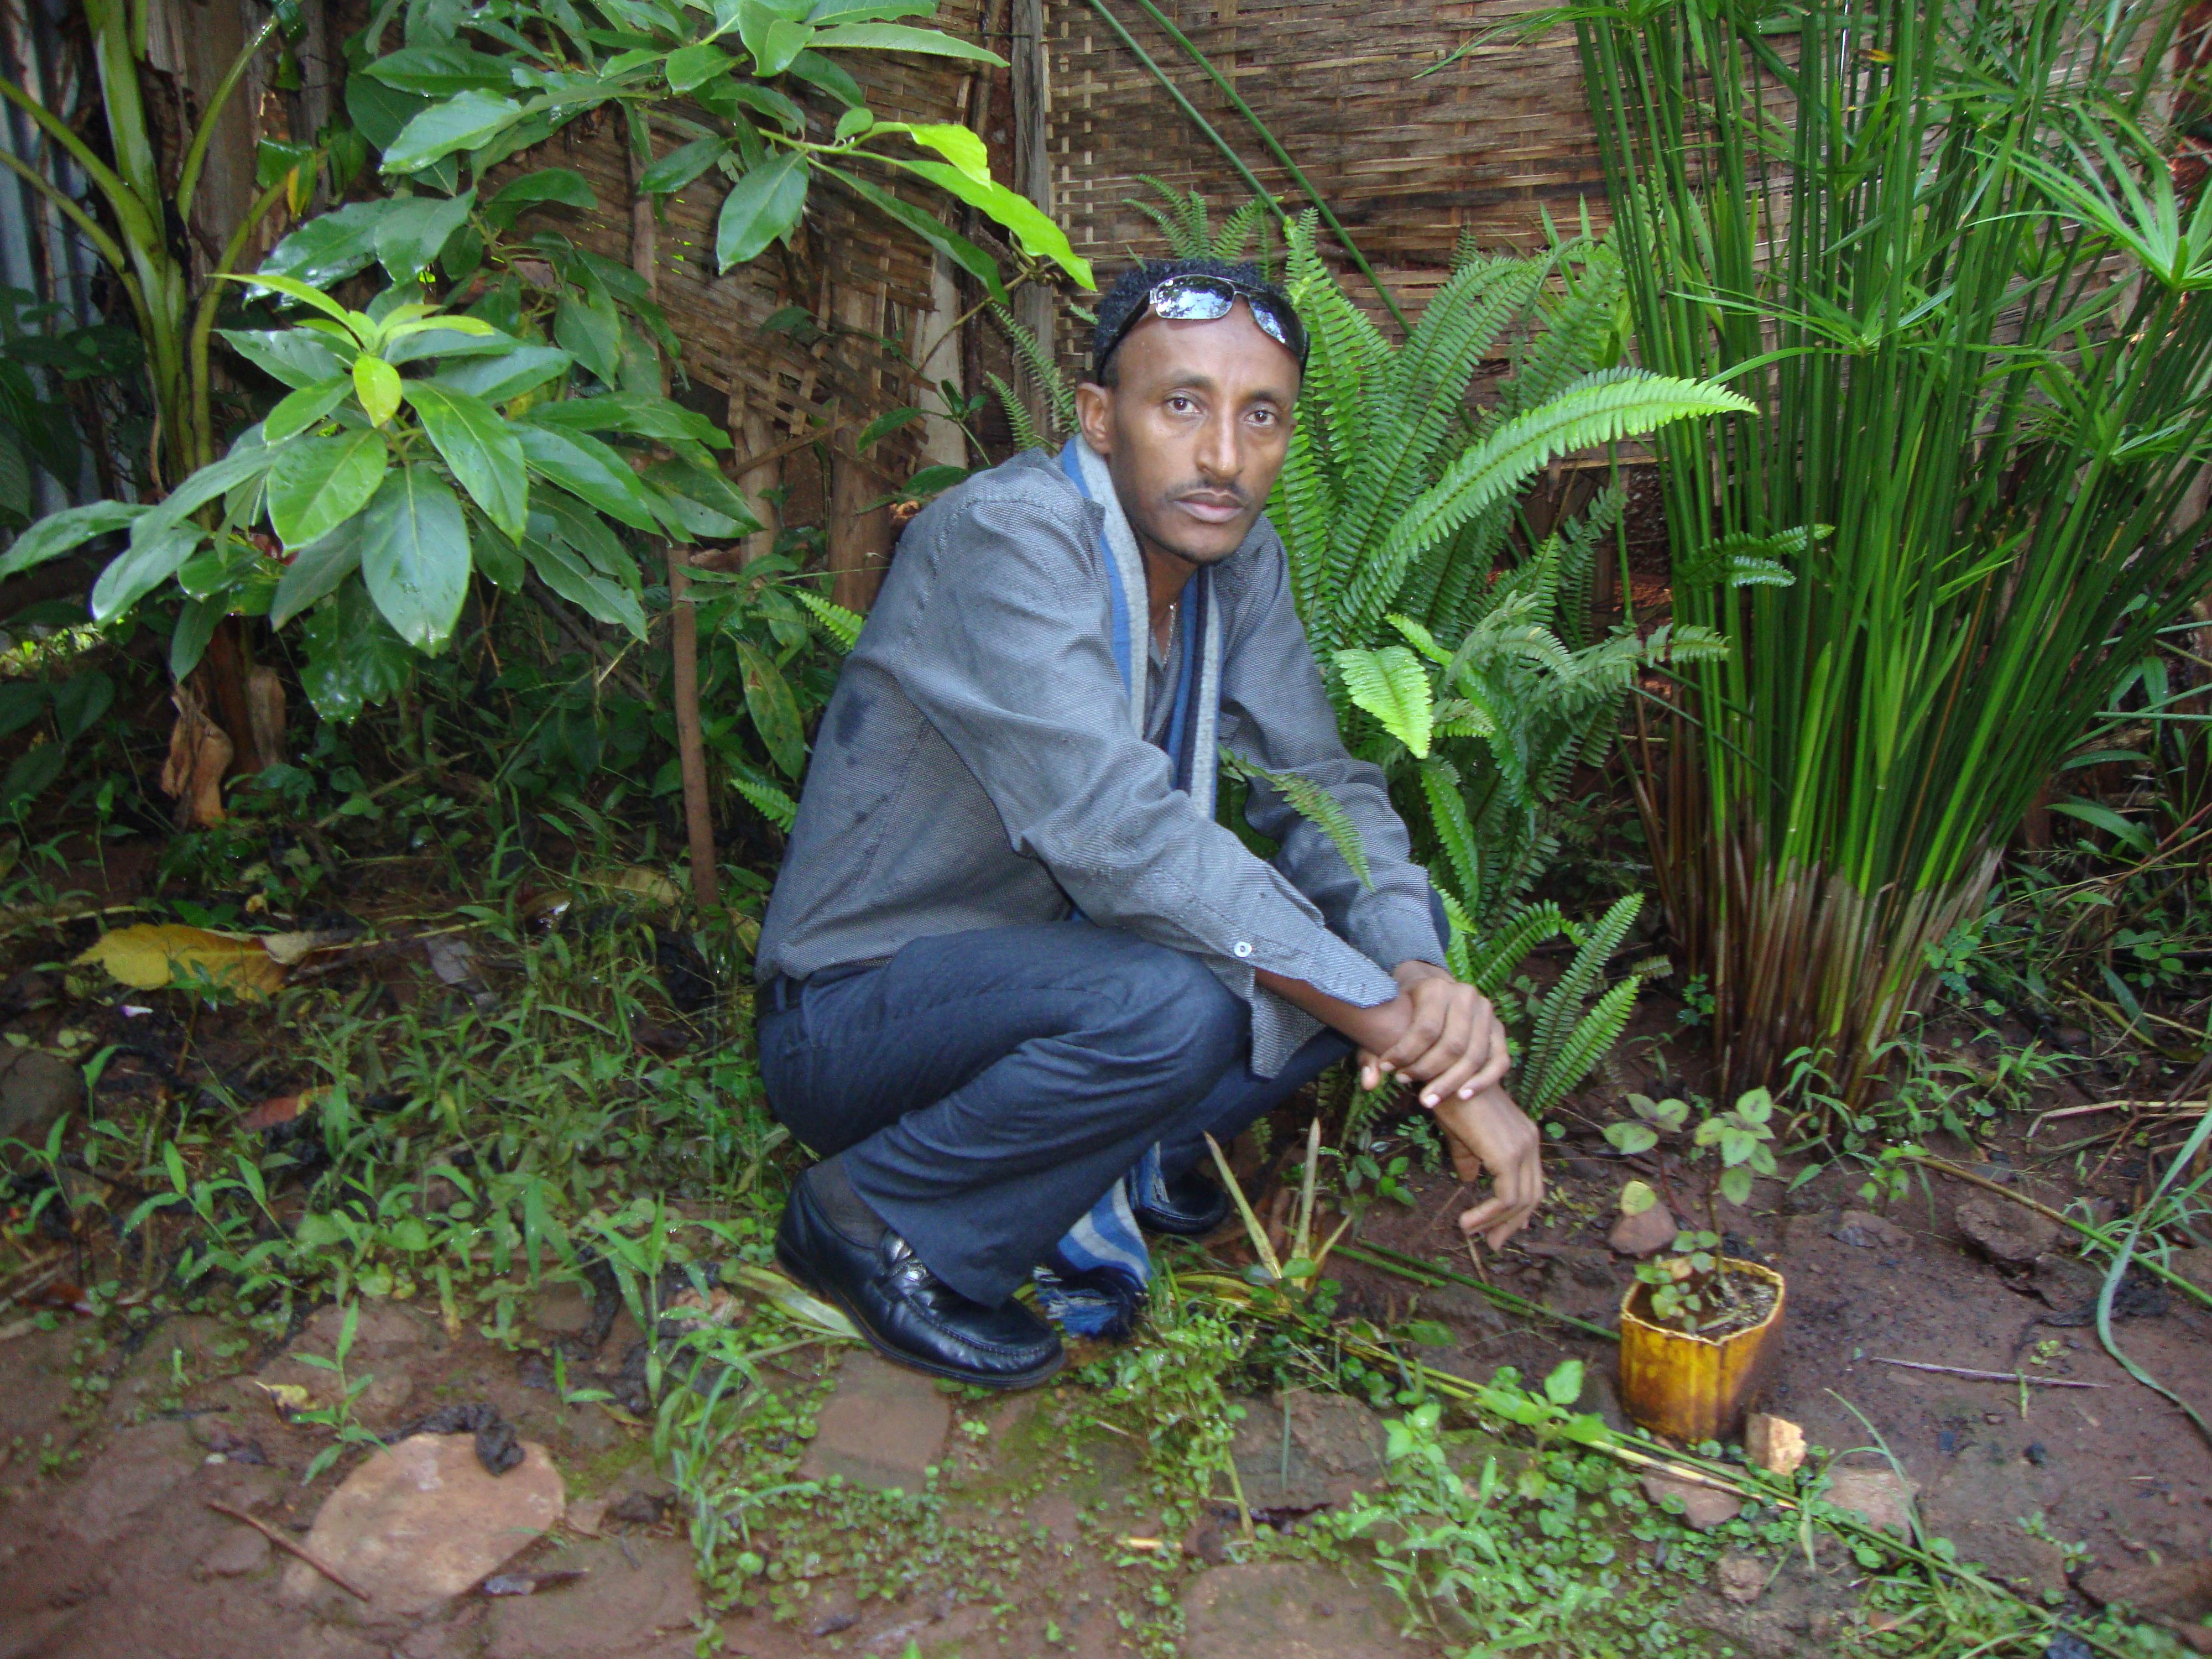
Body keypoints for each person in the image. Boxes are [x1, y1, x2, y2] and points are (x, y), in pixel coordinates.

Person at [754, 256, 1545, 1389]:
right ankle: (874, 1216)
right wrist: (1420, 1046)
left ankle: (1131, 1143)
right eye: (1181, 404)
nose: (1222, 456)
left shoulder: (1238, 562)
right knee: (1189, 993)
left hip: (1047, 981)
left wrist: (1417, 978)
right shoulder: (1008, 539)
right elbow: (1117, 835)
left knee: (1365, 934)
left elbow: (1318, 784)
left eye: (1260, 415)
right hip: (858, 1014)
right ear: (1098, 418)